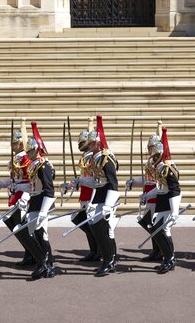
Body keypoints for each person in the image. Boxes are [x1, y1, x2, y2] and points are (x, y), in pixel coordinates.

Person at [74, 115, 120, 277]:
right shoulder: (96, 158)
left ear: (97, 143)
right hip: (100, 195)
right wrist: (80, 181)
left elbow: (113, 183)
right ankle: (108, 259)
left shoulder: (106, 159)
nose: (88, 146)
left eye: (91, 144)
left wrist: (108, 205)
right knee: (96, 227)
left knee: (103, 229)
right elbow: (96, 181)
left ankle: (109, 260)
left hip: (108, 197)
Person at [0, 119, 34, 267]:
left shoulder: (26, 159)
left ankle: (33, 253)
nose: (12, 146)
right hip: (17, 195)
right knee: (15, 225)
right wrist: (2, 184)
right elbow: (14, 179)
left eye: (14, 143)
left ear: (21, 144)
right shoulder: (18, 158)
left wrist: (25, 196)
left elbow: (31, 181)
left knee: (22, 226)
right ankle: (30, 252)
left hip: (25, 197)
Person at [20, 121, 58, 279]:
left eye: (29, 150)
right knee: (36, 233)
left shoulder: (43, 165)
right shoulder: (34, 164)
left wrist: (44, 210)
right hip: (35, 202)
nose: (27, 153)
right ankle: (45, 263)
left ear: (36, 149)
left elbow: (49, 189)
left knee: (39, 234)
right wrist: (16, 187)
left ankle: (46, 264)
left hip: (42, 202)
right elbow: (33, 186)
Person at [141, 127, 181, 274]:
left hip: (169, 201)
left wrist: (175, 211)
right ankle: (167, 258)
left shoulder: (167, 167)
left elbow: (175, 189)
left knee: (163, 230)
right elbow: (159, 187)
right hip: (162, 200)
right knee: (157, 230)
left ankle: (170, 259)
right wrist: (147, 195)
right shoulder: (159, 167)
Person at [62, 117, 100, 262]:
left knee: (91, 224)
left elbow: (94, 178)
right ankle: (93, 250)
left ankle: (99, 250)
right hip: (85, 193)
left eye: (82, 142)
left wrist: (81, 181)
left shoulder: (93, 157)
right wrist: (72, 184)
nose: (80, 145)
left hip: (92, 194)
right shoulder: (85, 157)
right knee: (86, 223)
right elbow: (83, 176)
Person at [126, 122, 163, 262]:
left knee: (153, 224)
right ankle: (156, 250)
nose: (149, 149)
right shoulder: (150, 161)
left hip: (156, 196)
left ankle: (161, 250)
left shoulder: (160, 162)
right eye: (149, 147)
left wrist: (148, 194)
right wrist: (134, 182)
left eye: (151, 147)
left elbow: (159, 182)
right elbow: (146, 179)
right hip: (148, 195)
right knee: (149, 224)